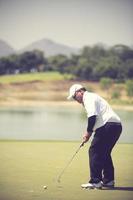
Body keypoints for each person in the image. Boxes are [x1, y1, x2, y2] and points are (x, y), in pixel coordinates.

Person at [67, 84, 122, 189]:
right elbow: (96, 119)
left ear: (80, 91)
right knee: (104, 152)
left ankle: (95, 181)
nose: (75, 100)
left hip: (108, 125)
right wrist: (90, 132)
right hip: (116, 126)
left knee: (94, 150)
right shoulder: (92, 97)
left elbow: (92, 117)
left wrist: (88, 133)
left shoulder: (88, 97)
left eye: (75, 96)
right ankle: (109, 180)